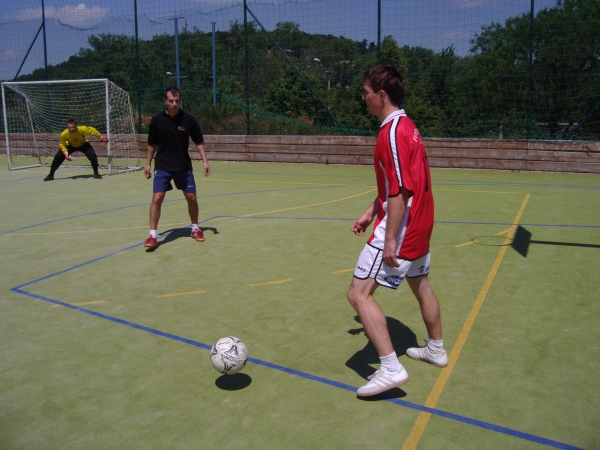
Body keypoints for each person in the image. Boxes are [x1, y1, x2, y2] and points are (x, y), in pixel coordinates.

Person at [347, 64, 448, 397]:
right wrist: (369, 212)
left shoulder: (391, 132)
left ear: (381, 95)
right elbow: (396, 185)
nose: (363, 98)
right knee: (420, 283)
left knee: (358, 294)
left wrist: (389, 238)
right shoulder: (407, 126)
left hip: (403, 226)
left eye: (365, 92)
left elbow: (400, 191)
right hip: (420, 223)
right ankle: (436, 348)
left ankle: (391, 368)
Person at [143, 87, 210, 249]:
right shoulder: (157, 120)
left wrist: (205, 161)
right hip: (163, 166)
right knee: (157, 198)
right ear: (165, 101)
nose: (174, 104)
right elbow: (152, 143)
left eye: (177, 101)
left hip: (183, 166)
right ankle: (152, 235)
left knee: (192, 198)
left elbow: (199, 141)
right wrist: (148, 163)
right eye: (171, 101)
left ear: (180, 101)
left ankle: (195, 228)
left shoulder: (188, 119)